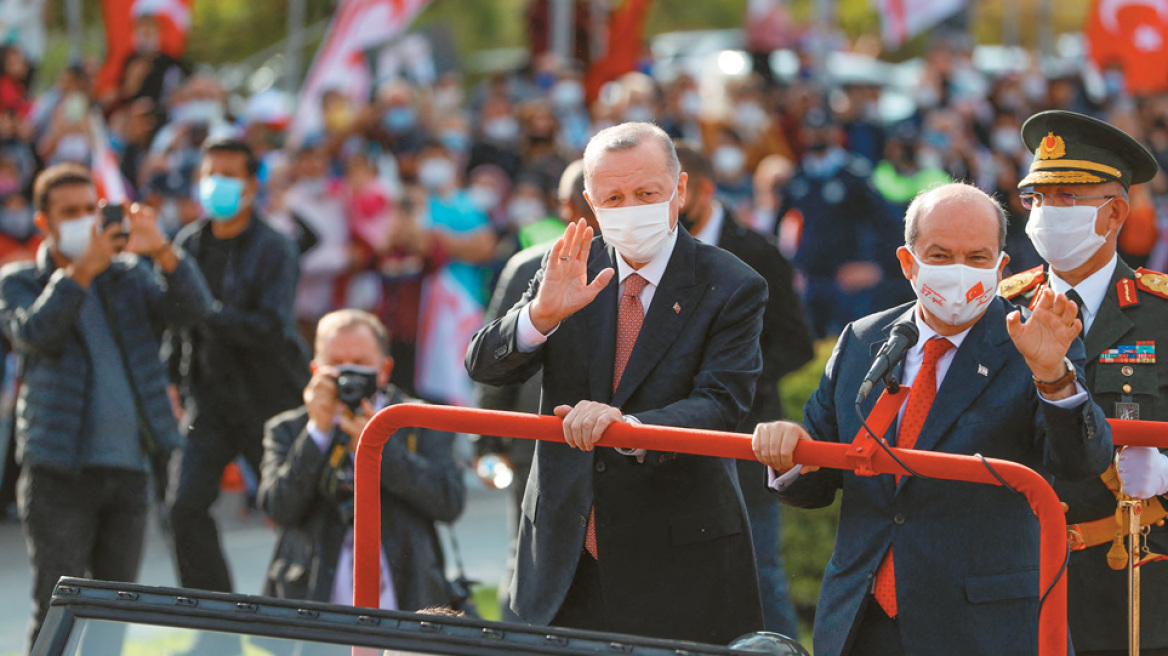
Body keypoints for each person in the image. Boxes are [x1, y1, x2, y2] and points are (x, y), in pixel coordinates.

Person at [752, 182, 1113, 656]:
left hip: (984, 626)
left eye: (978, 257)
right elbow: (820, 475)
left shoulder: (1033, 342)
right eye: (940, 255)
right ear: (908, 262)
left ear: (1001, 265)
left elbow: (1080, 462)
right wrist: (790, 451)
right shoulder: (863, 339)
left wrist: (1053, 378)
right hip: (862, 619)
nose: (960, 271)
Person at [465, 122, 767, 644]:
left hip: (675, 554)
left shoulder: (733, 284)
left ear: (680, 191)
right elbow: (484, 365)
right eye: (614, 197)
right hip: (563, 554)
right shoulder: (565, 267)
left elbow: (722, 402)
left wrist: (629, 428)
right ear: (591, 202)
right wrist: (540, 316)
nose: (631, 208)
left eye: (647, 194)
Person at [0, 164, 210, 650]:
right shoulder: (21, 280)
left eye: (88, 209)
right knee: (56, 610)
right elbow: (34, 334)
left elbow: (195, 313)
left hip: (129, 467)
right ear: (42, 222)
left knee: (115, 611)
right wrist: (79, 273)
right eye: (68, 212)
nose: (82, 220)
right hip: (59, 472)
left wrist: (161, 249)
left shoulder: (129, 275)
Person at [1000, 110, 1168, 655]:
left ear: (1115, 211)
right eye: (1037, 199)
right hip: (1015, 570)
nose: (1047, 211)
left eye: (1067, 196)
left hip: (1137, 574)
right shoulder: (997, 312)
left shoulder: (1160, 312)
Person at [674, 141, 815, 638]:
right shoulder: (653, 253)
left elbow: (796, 343)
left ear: (703, 189)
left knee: (757, 563)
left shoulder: (755, 251)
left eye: (672, 194)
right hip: (673, 434)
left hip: (744, 433)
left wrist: (728, 383)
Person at [168, 138, 309, 596]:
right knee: (184, 507)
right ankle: (212, 616)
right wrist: (173, 379)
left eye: (230, 176)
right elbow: (176, 320)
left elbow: (270, 327)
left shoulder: (275, 247)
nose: (217, 186)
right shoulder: (189, 242)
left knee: (291, 510)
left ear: (251, 186)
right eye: (211, 174)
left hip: (269, 398)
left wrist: (206, 311)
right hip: (209, 399)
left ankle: (297, 614)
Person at [259, 309, 465, 610]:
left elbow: (449, 502)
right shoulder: (288, 428)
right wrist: (317, 432)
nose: (348, 376)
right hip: (313, 599)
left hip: (406, 592)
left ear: (384, 369)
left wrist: (377, 448)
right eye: (336, 365)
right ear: (315, 369)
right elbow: (279, 508)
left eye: (360, 365)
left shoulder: (420, 419)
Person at [473, 159, 597, 621]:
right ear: (564, 206)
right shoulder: (532, 265)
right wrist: (489, 440)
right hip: (537, 435)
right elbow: (495, 355)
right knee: (529, 554)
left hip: (601, 434)